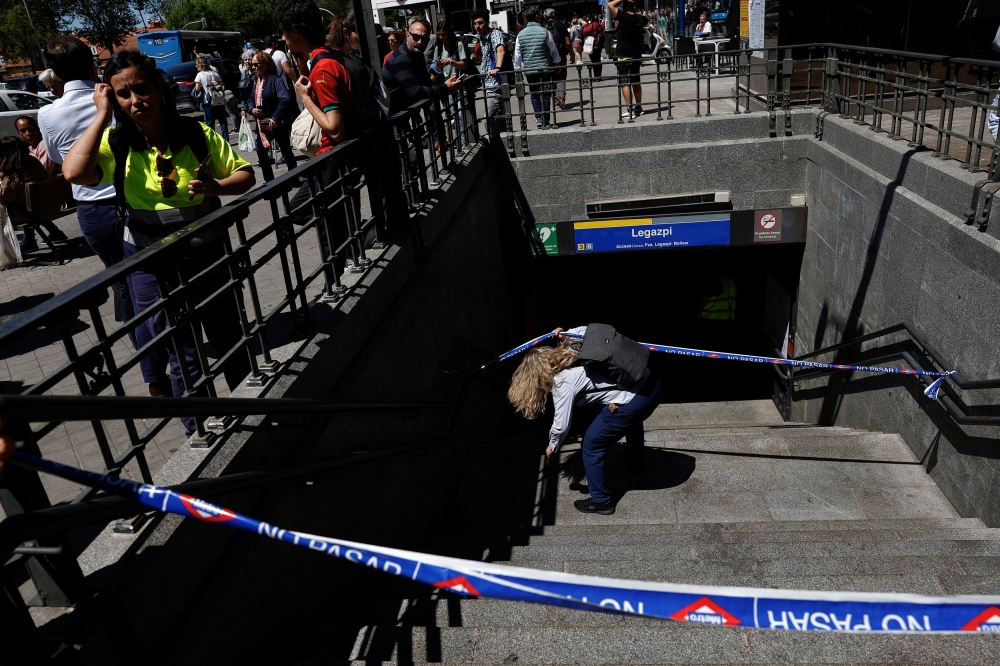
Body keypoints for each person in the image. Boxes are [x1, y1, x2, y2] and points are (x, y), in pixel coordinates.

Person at [62, 50, 256, 438]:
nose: (136, 101)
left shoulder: (195, 134)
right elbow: (74, 172)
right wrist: (101, 115)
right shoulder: (116, 144)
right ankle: (197, 428)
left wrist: (216, 186)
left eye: (142, 89)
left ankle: (249, 411)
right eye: (124, 95)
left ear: (159, 90)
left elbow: (245, 175)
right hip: (149, 260)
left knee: (225, 332)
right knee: (177, 345)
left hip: (204, 251)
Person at [38, 36, 168, 396]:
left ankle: (154, 374)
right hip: (137, 199)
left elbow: (58, 159)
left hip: (93, 208)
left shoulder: (48, 112)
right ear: (92, 63)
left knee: (126, 287)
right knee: (155, 280)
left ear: (54, 73)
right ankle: (166, 355)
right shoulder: (115, 95)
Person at [508, 326, 663, 515]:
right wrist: (565, 333)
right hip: (651, 383)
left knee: (591, 445)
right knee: (630, 419)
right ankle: (635, 460)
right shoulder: (575, 347)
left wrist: (553, 445)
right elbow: (588, 329)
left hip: (637, 402)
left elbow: (562, 425)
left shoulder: (562, 383)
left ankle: (602, 502)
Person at [382, 17, 462, 115]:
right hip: (396, 115)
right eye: (416, 37)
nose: (420, 42)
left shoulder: (418, 55)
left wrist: (448, 86)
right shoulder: (401, 58)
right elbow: (416, 92)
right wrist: (445, 87)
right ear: (407, 35)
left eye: (424, 39)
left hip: (408, 111)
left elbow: (426, 83)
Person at [243, 50, 298, 182]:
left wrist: (276, 117)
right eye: (253, 64)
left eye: (256, 64)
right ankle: (269, 182)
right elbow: (250, 98)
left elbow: (285, 98)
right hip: (262, 124)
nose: (253, 67)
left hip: (276, 123)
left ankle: (294, 178)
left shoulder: (275, 80)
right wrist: (252, 109)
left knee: (286, 151)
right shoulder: (256, 80)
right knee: (261, 152)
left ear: (266, 64)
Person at [0, 136, 54, 254]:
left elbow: (5, 198)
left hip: (25, 213)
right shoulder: (32, 162)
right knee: (25, 201)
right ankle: (36, 238)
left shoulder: (13, 174)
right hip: (45, 206)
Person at [514, 5, 561, 129]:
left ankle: (539, 119)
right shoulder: (545, 32)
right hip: (545, 69)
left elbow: (517, 54)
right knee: (546, 94)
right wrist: (557, 62)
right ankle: (546, 120)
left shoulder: (520, 35)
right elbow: (553, 49)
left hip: (530, 71)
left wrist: (517, 69)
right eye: (539, 15)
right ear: (536, 17)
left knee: (534, 94)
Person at [609, 0, 648, 120]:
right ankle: (638, 107)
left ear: (624, 8)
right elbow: (645, 21)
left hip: (624, 56)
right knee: (636, 82)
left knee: (625, 82)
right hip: (636, 55)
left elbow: (610, 5)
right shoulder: (640, 19)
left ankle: (629, 109)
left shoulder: (623, 17)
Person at [472, 9, 507, 137]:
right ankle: (504, 145)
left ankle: (496, 146)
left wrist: (497, 68)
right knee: (499, 119)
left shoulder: (495, 34)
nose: (477, 26)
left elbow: (500, 50)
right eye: (475, 23)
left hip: (495, 83)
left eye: (480, 23)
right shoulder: (482, 39)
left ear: (487, 22)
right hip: (488, 83)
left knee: (488, 119)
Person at [194, 57, 230, 140]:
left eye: (196, 65)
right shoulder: (215, 73)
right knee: (223, 121)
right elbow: (223, 85)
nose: (196, 66)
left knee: (210, 122)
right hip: (218, 99)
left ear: (200, 65)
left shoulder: (199, 75)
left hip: (208, 101)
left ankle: (213, 140)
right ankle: (226, 139)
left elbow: (197, 89)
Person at [544, 8, 571, 109]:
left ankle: (555, 99)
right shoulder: (561, 25)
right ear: (554, 15)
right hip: (561, 55)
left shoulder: (543, 27)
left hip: (548, 57)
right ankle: (561, 97)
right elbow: (568, 43)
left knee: (552, 77)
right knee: (561, 76)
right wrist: (572, 56)